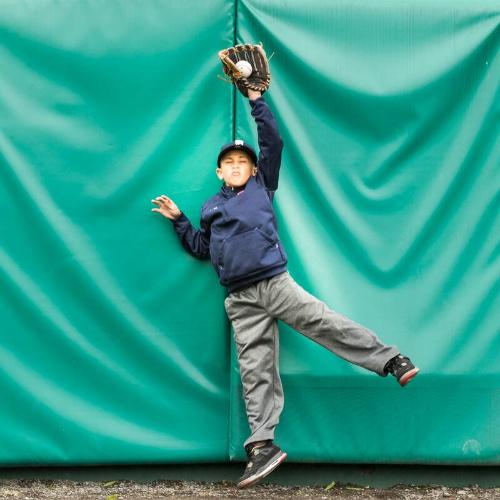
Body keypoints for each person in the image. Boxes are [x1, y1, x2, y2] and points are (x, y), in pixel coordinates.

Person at [151, 88, 419, 489]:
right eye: (229, 162)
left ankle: (391, 360)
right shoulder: (210, 208)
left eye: (243, 161)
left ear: (255, 170)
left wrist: (256, 99)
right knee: (254, 368)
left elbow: (272, 140)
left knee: (325, 323)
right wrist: (179, 220)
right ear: (219, 172)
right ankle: (262, 446)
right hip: (240, 301)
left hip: (274, 283)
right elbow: (202, 249)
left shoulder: (262, 188)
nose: (237, 165)